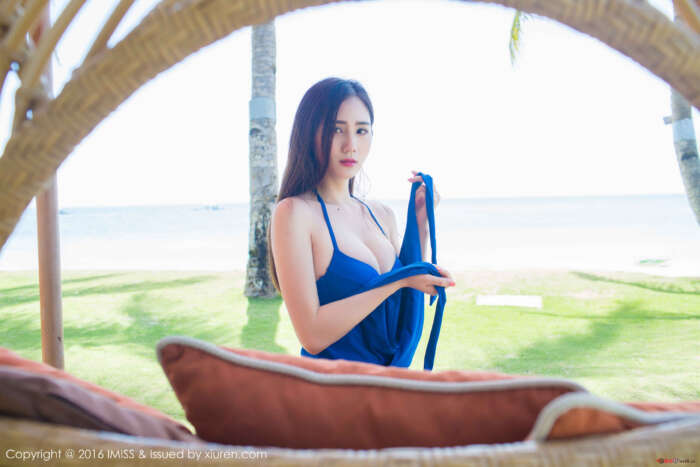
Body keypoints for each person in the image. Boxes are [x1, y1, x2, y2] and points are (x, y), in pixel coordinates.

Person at [268, 77, 455, 366]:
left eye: (361, 130)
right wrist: (398, 281)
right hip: (333, 387)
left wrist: (421, 223)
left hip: (392, 385)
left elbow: (407, 307)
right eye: (336, 129)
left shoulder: (381, 215)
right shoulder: (294, 213)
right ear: (309, 132)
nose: (350, 145)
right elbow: (311, 335)